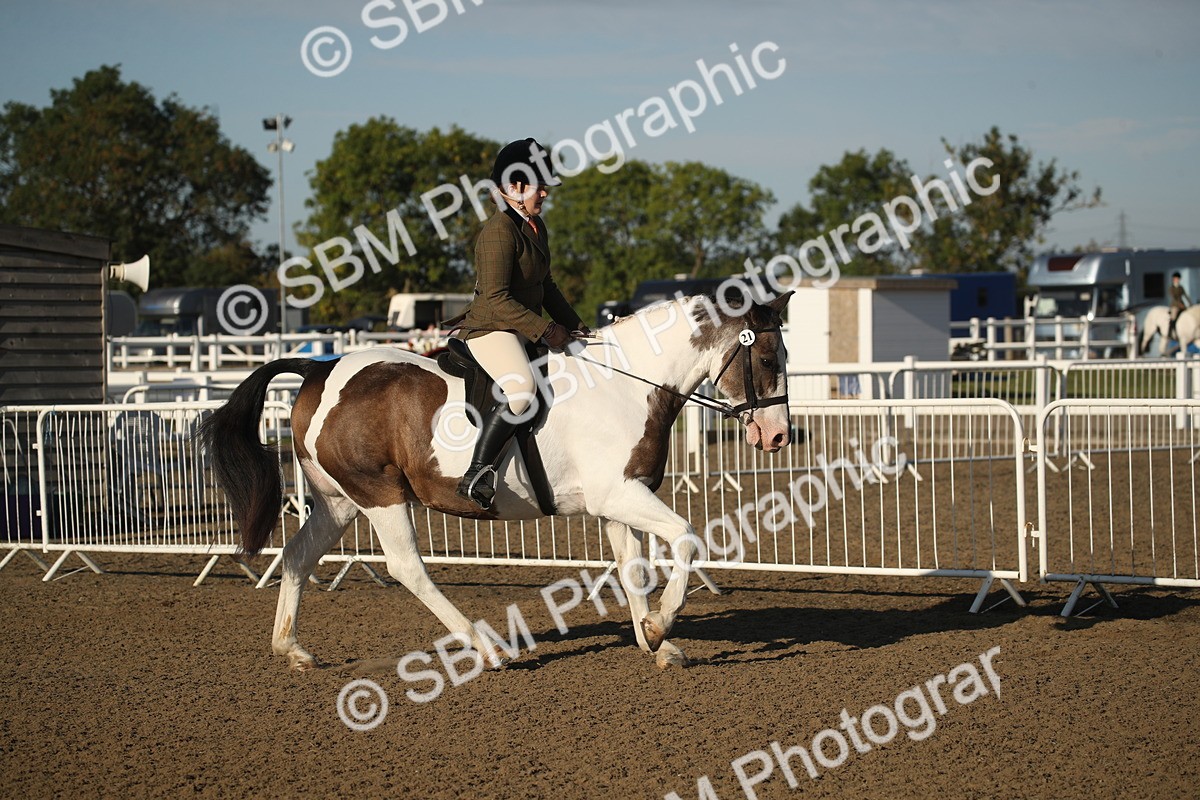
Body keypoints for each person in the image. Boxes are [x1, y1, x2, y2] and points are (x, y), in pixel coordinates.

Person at [450, 138, 589, 509]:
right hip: (491, 328)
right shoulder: (499, 231)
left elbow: (546, 286)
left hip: (519, 327)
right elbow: (496, 298)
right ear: (513, 188)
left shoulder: (535, 225)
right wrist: (546, 330)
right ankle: (477, 472)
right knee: (522, 388)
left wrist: (576, 327)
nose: (544, 192)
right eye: (537, 185)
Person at [1168, 271, 1190, 340]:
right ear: (1173, 279)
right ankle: (1171, 331)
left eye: (1178, 278)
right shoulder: (1171, 288)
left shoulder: (1181, 287)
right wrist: (1179, 304)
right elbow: (1173, 297)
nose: (1177, 280)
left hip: (1182, 304)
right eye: (1176, 278)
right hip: (1175, 305)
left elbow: (1186, 296)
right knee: (1173, 317)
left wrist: (1190, 304)